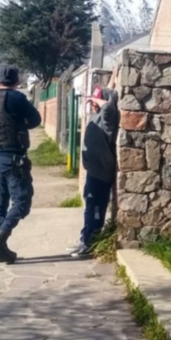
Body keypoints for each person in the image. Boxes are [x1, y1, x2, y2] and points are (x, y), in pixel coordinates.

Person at [0, 66, 41, 264]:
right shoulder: (17, 98)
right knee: (22, 202)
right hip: (13, 159)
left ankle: (1, 248)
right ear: (17, 82)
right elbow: (35, 120)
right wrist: (21, 124)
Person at [68, 76, 119, 259]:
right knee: (90, 207)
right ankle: (85, 238)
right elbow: (106, 98)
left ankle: (90, 244)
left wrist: (97, 98)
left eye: (96, 101)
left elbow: (109, 106)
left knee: (96, 209)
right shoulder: (97, 116)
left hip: (100, 173)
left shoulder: (107, 118)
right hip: (93, 172)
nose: (93, 105)